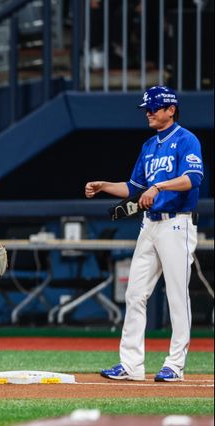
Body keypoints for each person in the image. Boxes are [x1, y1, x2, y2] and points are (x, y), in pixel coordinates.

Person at [85, 86, 203, 382]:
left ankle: (175, 365)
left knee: (177, 295)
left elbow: (193, 178)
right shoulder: (149, 145)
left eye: (153, 108)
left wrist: (159, 186)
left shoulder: (186, 139)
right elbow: (134, 189)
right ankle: (131, 365)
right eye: (147, 108)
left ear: (171, 110)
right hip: (149, 225)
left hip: (177, 223)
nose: (148, 113)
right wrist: (105, 186)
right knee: (135, 293)